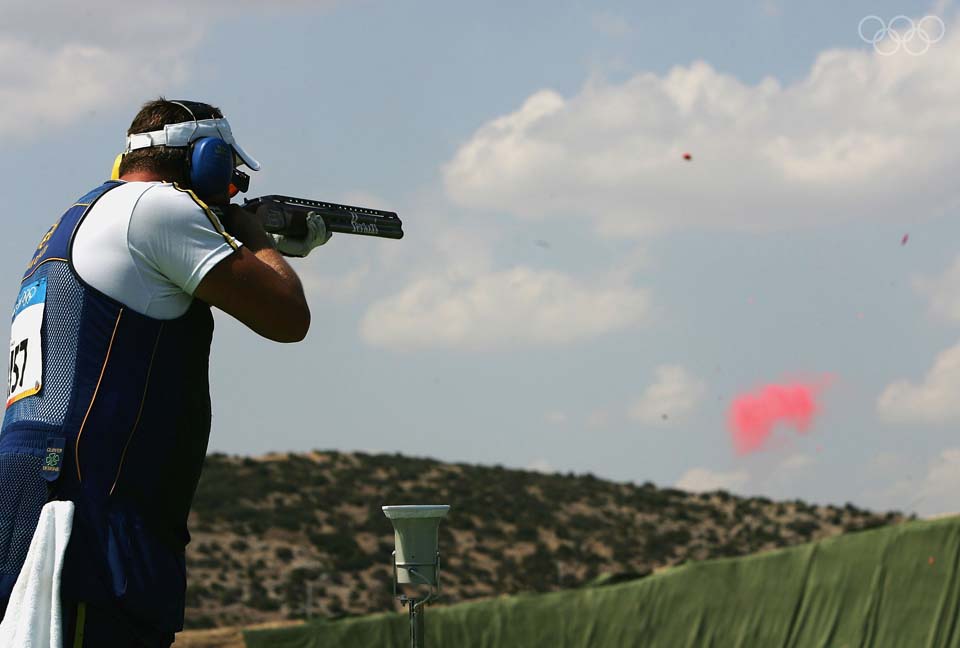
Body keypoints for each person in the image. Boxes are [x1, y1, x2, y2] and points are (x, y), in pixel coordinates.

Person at [0, 98, 329, 646]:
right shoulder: (156, 208)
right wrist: (257, 240)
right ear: (207, 162)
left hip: (38, 503)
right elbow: (288, 316)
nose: (231, 190)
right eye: (229, 178)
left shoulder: (74, 222)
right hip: (94, 520)